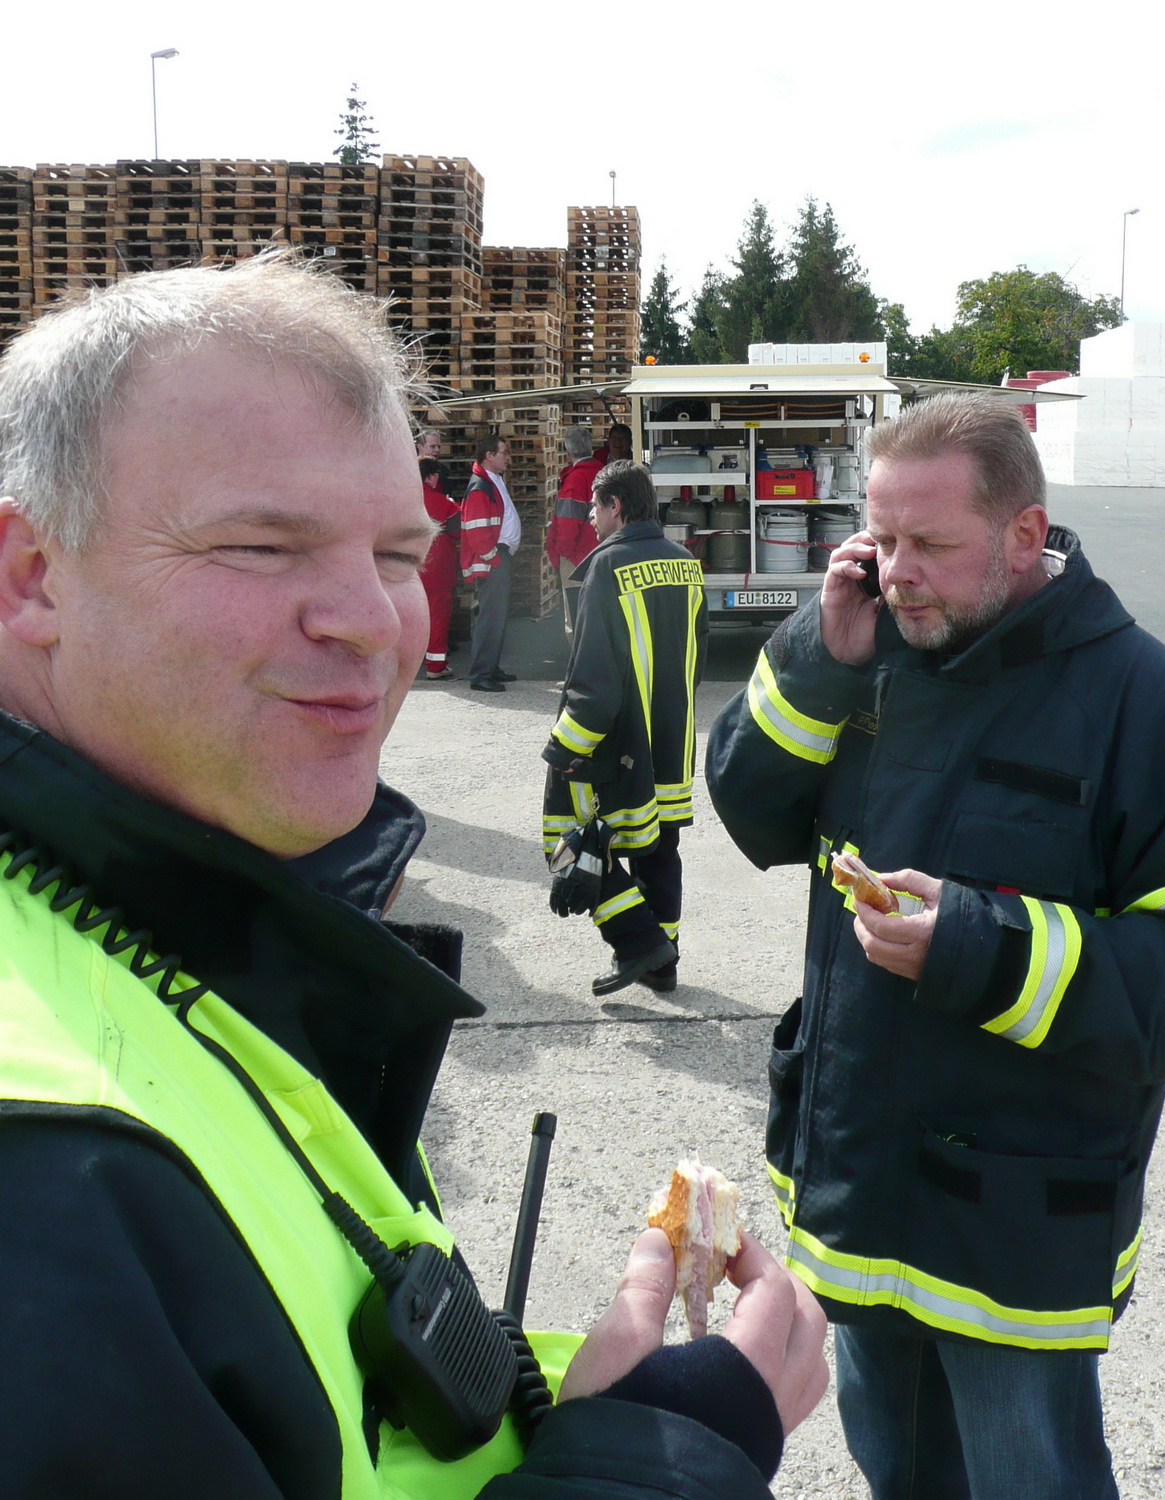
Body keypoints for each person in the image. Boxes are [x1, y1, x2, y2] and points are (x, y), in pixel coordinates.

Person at [0, 254, 828, 1499]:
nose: (376, 621)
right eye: (263, 545)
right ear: (33, 576)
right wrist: (659, 1463)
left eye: (397, 553)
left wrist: (582, 1423)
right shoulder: (40, 1177)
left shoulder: (198, 917)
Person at [704, 393, 1165, 1499]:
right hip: (860, 1193)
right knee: (897, 1473)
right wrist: (816, 664)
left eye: (930, 545)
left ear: (1025, 536)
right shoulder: (864, 649)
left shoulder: (1145, 706)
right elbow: (751, 812)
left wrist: (987, 950)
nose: (896, 574)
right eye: (881, 537)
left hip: (1013, 1235)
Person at [542, 461, 709, 997]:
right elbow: (698, 654)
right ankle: (664, 963)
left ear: (615, 506)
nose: (590, 518)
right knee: (660, 850)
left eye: (594, 506)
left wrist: (565, 747)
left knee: (575, 841)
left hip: (617, 744)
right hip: (674, 741)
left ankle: (637, 944)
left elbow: (594, 675)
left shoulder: (607, 567)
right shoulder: (686, 563)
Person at [462, 434, 519, 693]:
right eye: (504, 453)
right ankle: (481, 675)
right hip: (493, 561)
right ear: (489, 456)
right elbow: (476, 532)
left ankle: (490, 667)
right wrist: (494, 558)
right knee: (489, 618)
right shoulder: (480, 487)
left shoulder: (491, 480)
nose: (508, 458)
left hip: (498, 558)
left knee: (497, 617)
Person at [545, 426, 603, 639]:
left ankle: (581, 659)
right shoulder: (603, 474)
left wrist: (562, 553)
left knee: (577, 620)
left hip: (577, 560)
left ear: (567, 452)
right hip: (601, 555)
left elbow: (568, 526)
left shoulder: (574, 480)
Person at [419, 456, 460, 680]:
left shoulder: (399, 500)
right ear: (432, 477)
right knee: (437, 617)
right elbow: (459, 529)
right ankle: (435, 666)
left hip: (405, 568)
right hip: (437, 568)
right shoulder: (443, 503)